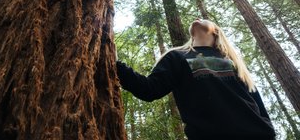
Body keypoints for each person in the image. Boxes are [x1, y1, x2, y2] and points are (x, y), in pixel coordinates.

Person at [115, 18, 276, 140]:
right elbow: (149, 89)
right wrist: (116, 65)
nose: (199, 18)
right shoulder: (177, 57)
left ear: (216, 31)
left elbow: (256, 101)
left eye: (204, 18)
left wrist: (269, 131)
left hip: (258, 134)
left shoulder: (233, 61)